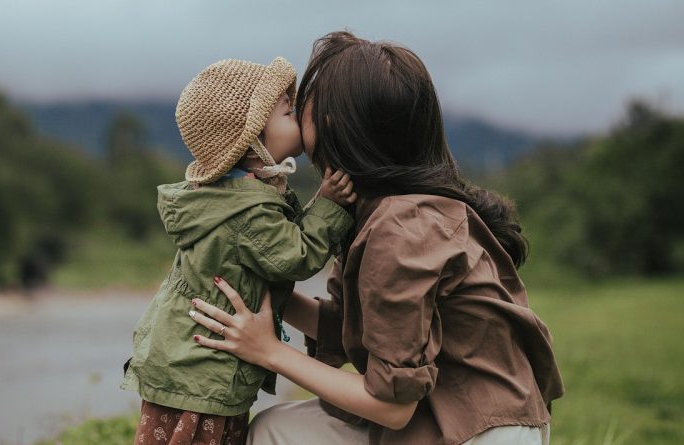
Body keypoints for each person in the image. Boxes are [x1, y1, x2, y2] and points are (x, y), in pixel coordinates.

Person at [188, 31, 565, 445]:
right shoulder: (385, 208)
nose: (296, 115)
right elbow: (360, 328)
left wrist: (269, 351)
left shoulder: (403, 228)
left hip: (479, 428)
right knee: (276, 429)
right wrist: (267, 287)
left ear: (336, 124)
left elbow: (392, 405)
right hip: (448, 409)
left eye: (303, 107)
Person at [120, 56, 357, 445]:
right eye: (287, 112)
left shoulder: (233, 196)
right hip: (202, 378)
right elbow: (296, 256)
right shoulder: (247, 210)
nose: (298, 119)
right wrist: (330, 204)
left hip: (191, 367)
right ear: (253, 144)